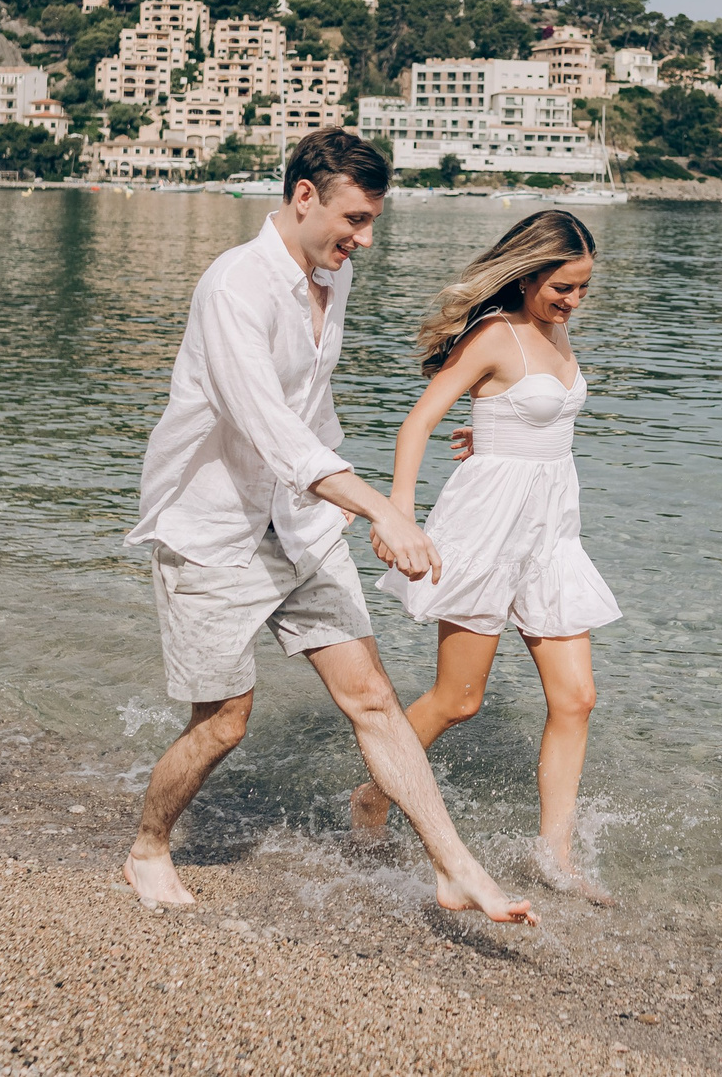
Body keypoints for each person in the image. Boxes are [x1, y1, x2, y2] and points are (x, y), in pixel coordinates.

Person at [122, 127, 534, 924]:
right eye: (354, 218)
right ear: (303, 195)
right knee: (223, 724)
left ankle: (454, 867)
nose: (364, 239)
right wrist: (382, 507)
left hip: (302, 523)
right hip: (213, 527)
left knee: (375, 697)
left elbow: (312, 414)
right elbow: (272, 430)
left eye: (373, 220)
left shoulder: (329, 276)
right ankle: (147, 846)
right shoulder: (233, 288)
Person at [354, 209, 621, 903]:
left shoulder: (557, 328)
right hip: (488, 529)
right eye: (564, 286)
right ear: (529, 273)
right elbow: (420, 420)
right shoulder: (494, 334)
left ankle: (552, 855)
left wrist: (497, 434)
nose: (574, 301)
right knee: (460, 698)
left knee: (577, 697)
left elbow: (538, 419)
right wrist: (401, 513)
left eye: (584, 288)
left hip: (553, 530)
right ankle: (372, 794)